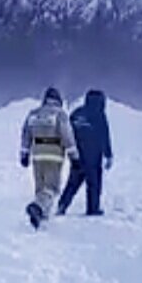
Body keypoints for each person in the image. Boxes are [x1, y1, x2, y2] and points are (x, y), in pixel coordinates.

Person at [20, 87, 78, 229]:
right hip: (54, 155)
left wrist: (24, 154)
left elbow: (26, 134)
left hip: (37, 155)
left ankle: (41, 217)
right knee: (51, 188)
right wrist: (74, 156)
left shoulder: (33, 114)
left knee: (41, 188)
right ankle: (37, 208)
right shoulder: (59, 114)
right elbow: (66, 135)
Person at [57, 89, 113, 217]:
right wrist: (108, 154)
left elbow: (67, 134)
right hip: (93, 159)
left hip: (77, 157)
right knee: (93, 184)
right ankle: (92, 209)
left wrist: (66, 150)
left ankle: (62, 205)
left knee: (72, 183)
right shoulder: (99, 115)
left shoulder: (76, 114)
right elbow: (104, 136)